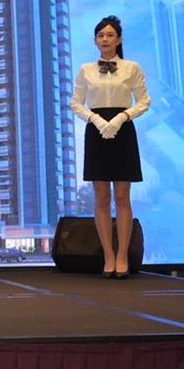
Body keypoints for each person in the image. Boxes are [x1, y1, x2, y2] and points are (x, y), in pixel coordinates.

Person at [70, 14, 150, 279]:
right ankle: (108, 255)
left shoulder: (131, 68)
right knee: (101, 196)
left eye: (110, 35)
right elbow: (76, 102)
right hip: (96, 131)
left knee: (123, 196)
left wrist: (121, 117)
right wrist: (95, 119)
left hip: (122, 130)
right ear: (95, 40)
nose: (105, 39)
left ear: (119, 39)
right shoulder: (86, 70)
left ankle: (123, 254)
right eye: (101, 35)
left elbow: (144, 101)